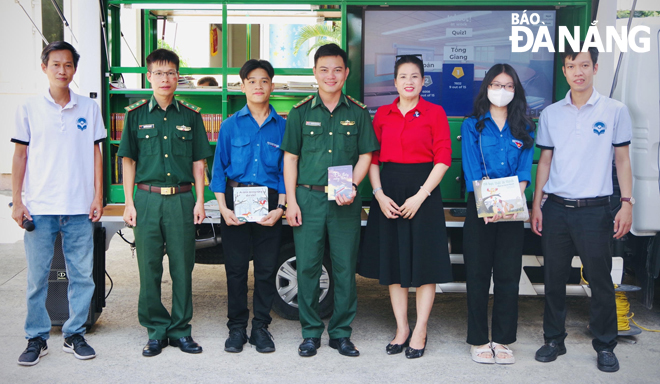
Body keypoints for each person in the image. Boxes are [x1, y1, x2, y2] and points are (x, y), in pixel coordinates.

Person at [530, 43, 633, 373]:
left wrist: (627, 203)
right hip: (556, 208)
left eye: (585, 65)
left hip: (595, 210)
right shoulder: (551, 114)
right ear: (564, 71)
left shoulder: (615, 110)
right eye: (572, 66)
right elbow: (544, 161)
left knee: (600, 281)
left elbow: (622, 160)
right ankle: (553, 339)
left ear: (595, 68)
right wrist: (537, 203)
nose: (578, 72)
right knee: (554, 278)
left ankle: (605, 344)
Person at [280, 43, 379, 358]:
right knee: (308, 267)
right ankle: (310, 333)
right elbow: (290, 159)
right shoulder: (299, 113)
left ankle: (340, 334)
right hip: (308, 200)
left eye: (337, 69)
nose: (331, 75)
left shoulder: (358, 113)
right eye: (324, 69)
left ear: (346, 73)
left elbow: (367, 155)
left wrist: (352, 183)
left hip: (344, 201)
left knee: (344, 268)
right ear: (315, 73)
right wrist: (291, 202)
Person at [11, 41, 105, 365]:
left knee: (82, 276)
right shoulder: (29, 109)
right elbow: (20, 155)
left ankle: (74, 333)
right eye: (55, 65)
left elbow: (96, 153)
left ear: (74, 70)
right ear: (44, 68)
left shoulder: (89, 109)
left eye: (68, 65)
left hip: (79, 207)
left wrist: (97, 196)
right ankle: (36, 338)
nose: (62, 70)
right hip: (40, 206)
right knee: (38, 277)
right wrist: (17, 202)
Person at [118, 48, 213, 357]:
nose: (165, 78)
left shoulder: (190, 115)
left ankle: (181, 330)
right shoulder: (135, 116)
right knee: (149, 268)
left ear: (178, 77)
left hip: (182, 200)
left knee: (183, 268)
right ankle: (156, 331)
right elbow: (128, 161)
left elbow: (200, 163)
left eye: (171, 72)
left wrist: (200, 201)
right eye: (159, 73)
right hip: (146, 200)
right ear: (149, 77)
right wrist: (128, 202)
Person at [358, 55, 452, 359]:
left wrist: (420, 195)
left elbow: (443, 159)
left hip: (424, 192)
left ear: (423, 81)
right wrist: (379, 195)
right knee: (395, 265)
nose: (409, 82)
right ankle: (402, 328)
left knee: (424, 267)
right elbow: (372, 158)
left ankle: (421, 329)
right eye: (403, 76)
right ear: (395, 82)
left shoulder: (435, 113)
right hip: (390, 192)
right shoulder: (382, 114)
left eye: (415, 76)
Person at [210, 59, 286, 354]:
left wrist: (280, 207)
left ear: (272, 85)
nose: (258, 86)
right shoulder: (230, 126)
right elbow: (218, 171)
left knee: (267, 268)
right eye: (251, 80)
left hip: (270, 203)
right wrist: (223, 209)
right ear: (242, 86)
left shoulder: (283, 126)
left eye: (264, 80)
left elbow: (285, 172)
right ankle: (237, 328)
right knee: (237, 269)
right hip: (235, 201)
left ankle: (261, 328)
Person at [461, 64, 535, 364]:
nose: (501, 91)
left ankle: (503, 340)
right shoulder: (472, 125)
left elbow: (524, 171)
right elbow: (472, 168)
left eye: (508, 86)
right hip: (480, 208)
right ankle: (478, 340)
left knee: (507, 276)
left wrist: (506, 207)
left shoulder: (525, 128)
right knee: (477, 275)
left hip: (512, 210)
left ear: (515, 91)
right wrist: (487, 206)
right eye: (496, 84)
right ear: (486, 88)